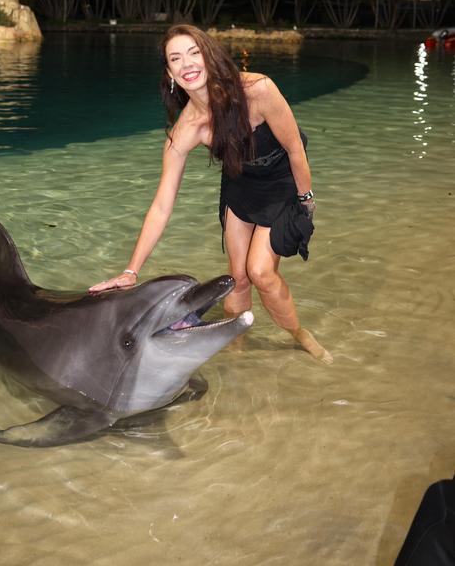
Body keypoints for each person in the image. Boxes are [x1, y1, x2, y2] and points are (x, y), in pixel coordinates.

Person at [89, 24, 332, 364]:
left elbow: (295, 149)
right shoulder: (186, 130)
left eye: (194, 53)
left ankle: (298, 334)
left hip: (282, 182)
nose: (187, 63)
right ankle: (235, 347)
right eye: (176, 58)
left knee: (261, 272)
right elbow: (161, 205)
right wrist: (131, 271)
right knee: (238, 278)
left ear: (209, 55)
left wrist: (306, 201)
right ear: (170, 72)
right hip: (241, 186)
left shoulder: (258, 90)